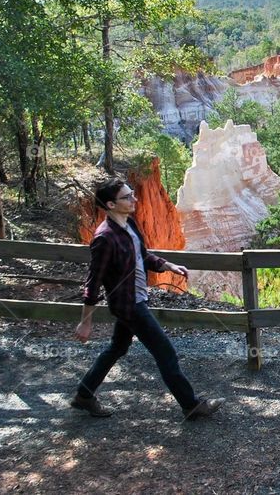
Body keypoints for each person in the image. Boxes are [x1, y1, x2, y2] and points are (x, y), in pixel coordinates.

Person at [71, 178, 224, 419]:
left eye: (132, 194)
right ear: (111, 204)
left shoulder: (129, 224)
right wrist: (86, 320)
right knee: (166, 353)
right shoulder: (104, 238)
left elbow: (143, 256)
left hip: (135, 300)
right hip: (129, 306)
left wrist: (168, 265)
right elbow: (93, 281)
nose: (135, 199)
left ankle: (84, 395)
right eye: (127, 196)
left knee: (117, 348)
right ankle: (191, 405)